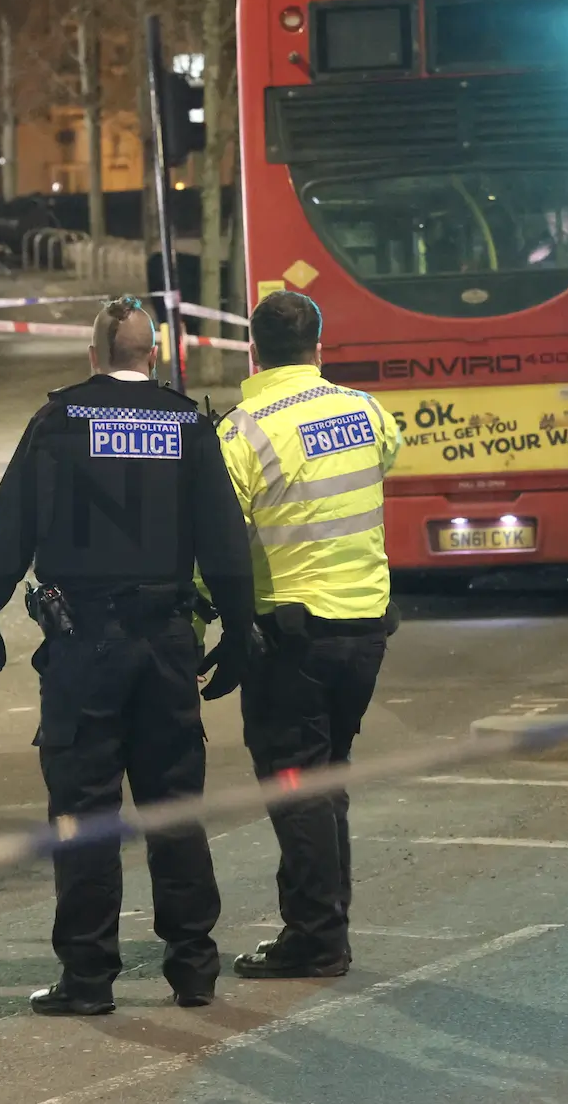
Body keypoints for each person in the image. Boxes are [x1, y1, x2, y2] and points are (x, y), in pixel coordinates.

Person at [0, 296, 257, 1016]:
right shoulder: (188, 421)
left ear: (93, 354)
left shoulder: (59, 420)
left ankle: (89, 979)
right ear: (151, 353)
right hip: (166, 643)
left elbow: (15, 529)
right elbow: (223, 538)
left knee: (86, 812)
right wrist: (240, 629)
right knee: (174, 807)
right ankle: (193, 970)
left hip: (85, 646)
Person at [216, 290, 400, 980]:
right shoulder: (364, 410)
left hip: (294, 640)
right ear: (319, 345)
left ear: (253, 351)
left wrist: (213, 614)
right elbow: (388, 457)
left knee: (296, 783)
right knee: (324, 779)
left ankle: (318, 936)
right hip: (366, 629)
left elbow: (222, 546)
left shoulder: (242, 432)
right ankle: (319, 924)